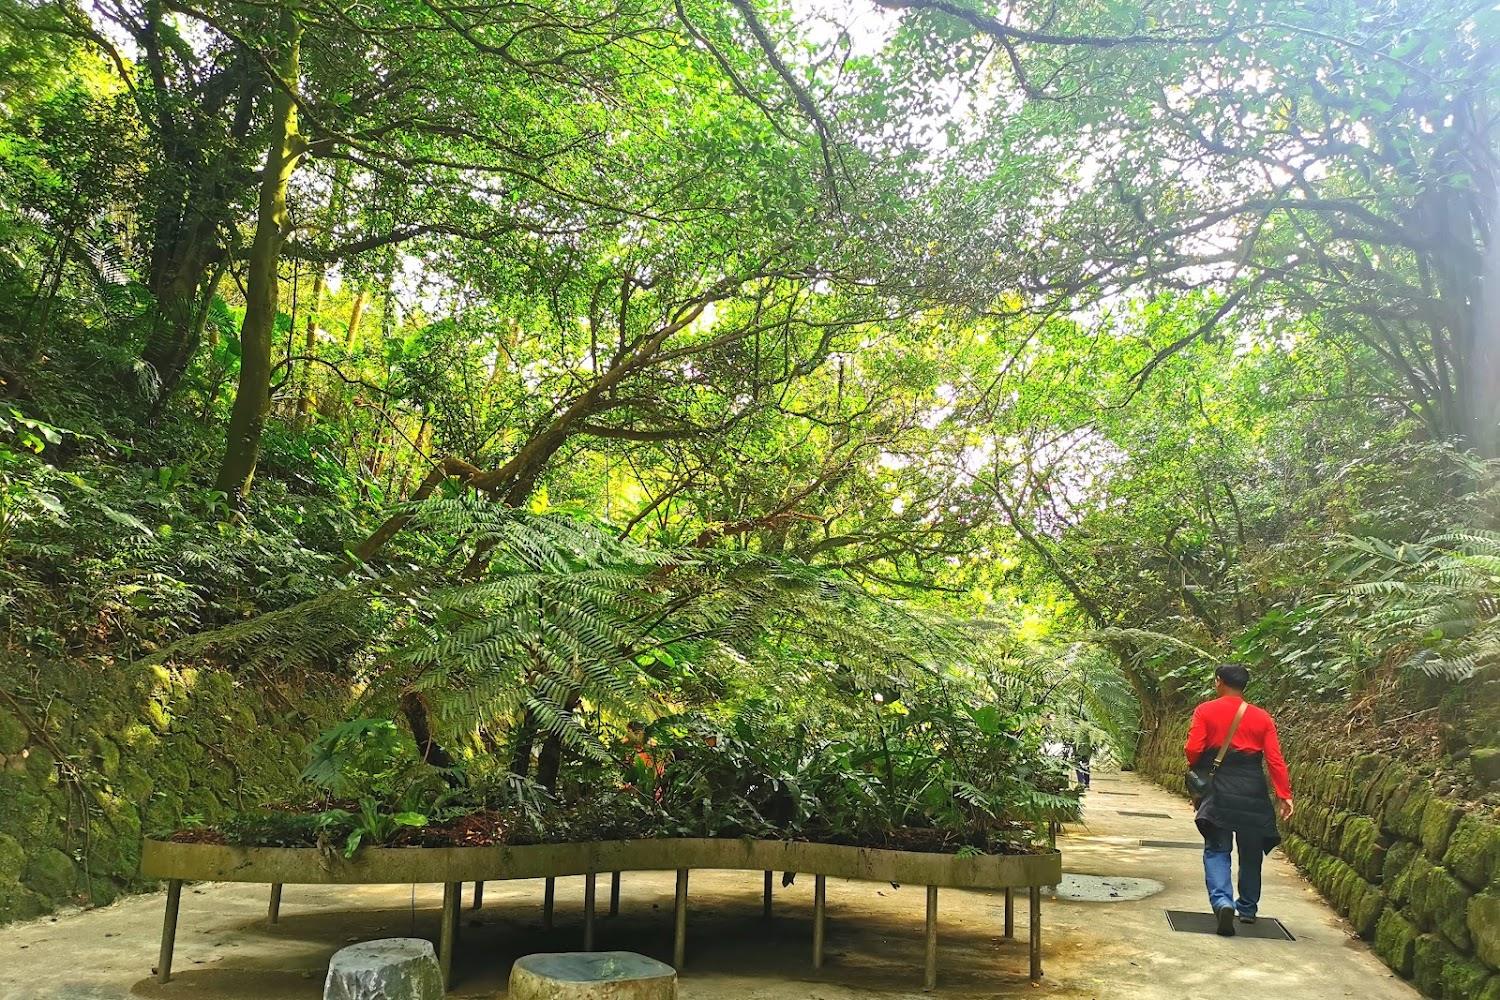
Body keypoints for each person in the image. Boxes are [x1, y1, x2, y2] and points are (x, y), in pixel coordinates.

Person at [1184, 663, 1293, 936]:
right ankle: (1246, 909)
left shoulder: (1205, 710)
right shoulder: (1262, 718)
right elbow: (1275, 760)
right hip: (1253, 789)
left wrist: (1199, 765)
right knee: (1251, 853)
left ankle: (1222, 902)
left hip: (1220, 787)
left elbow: (1193, 749)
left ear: (1219, 682)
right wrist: (1284, 795)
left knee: (1217, 848)